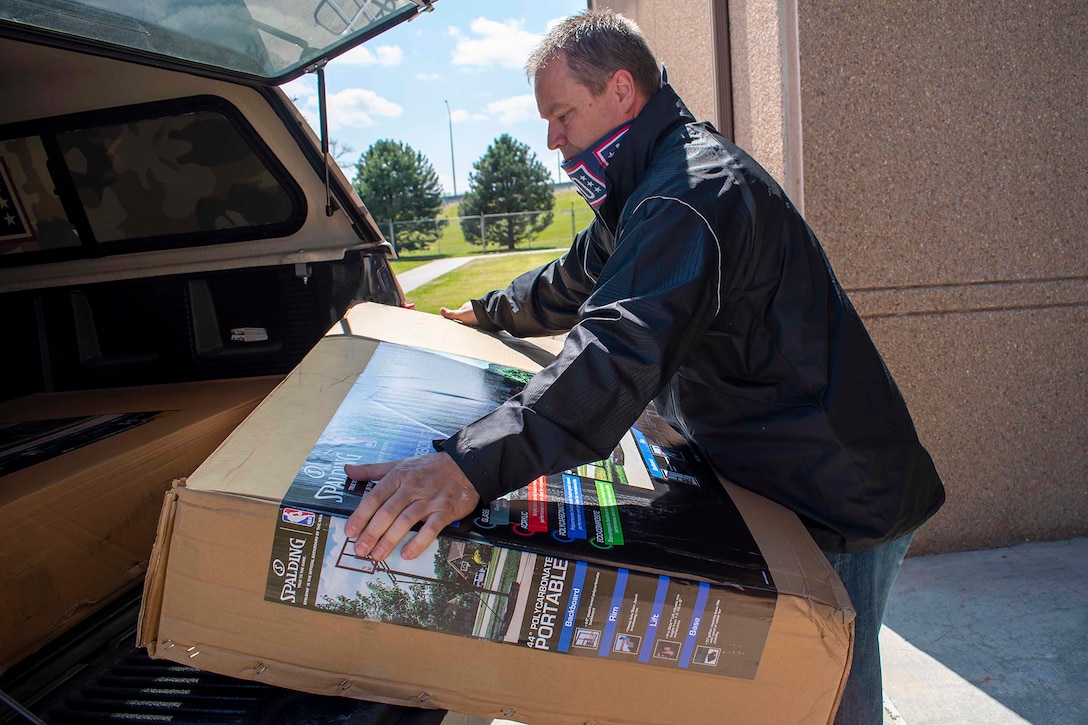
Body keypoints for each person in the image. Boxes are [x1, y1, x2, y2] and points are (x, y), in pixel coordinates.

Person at [344, 10, 944, 724]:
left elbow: (614, 352)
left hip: (836, 493)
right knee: (789, 691)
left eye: (562, 114)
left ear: (621, 91)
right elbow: (573, 280)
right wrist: (481, 315)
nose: (552, 140)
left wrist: (464, 468)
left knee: (824, 698)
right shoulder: (650, 187)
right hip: (784, 475)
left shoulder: (691, 195)